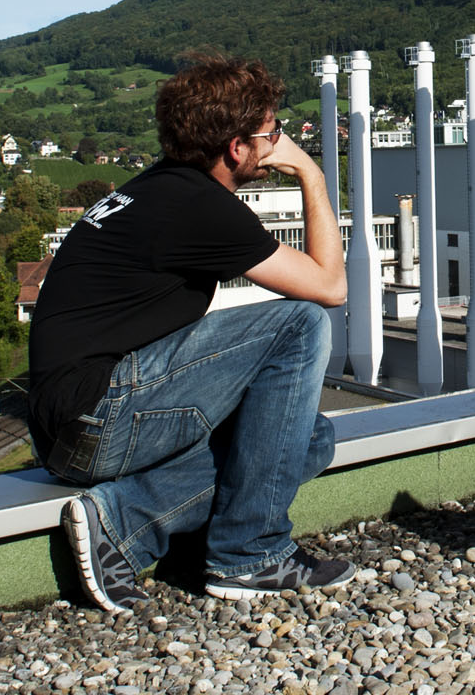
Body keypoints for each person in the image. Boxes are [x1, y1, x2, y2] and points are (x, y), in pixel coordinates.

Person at [28, 55, 350, 612]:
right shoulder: (199, 207)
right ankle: (249, 556)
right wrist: (312, 174)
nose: (278, 143)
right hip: (98, 416)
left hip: (69, 425)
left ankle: (126, 522)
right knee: (299, 324)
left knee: (307, 438)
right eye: (271, 133)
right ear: (236, 147)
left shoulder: (157, 187)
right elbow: (329, 286)